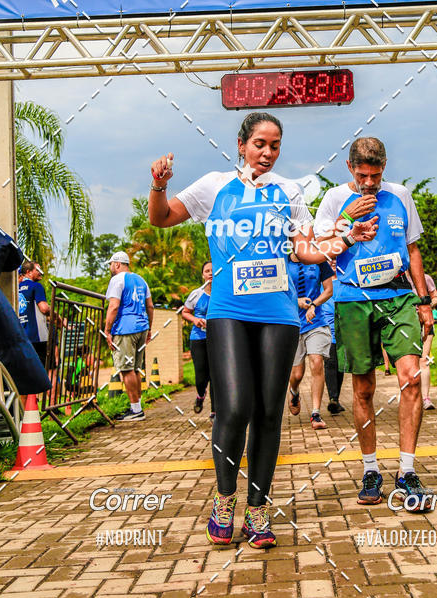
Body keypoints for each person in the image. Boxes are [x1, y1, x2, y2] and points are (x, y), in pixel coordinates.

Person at [148, 112, 378, 548]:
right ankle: (224, 500)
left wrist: (349, 237)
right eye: (259, 144)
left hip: (279, 314)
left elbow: (307, 250)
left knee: (269, 414)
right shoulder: (215, 185)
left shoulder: (289, 192)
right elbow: (161, 218)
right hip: (229, 312)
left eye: (275, 145)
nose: (267, 152)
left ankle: (257, 511)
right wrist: (158, 185)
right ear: (241, 145)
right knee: (234, 409)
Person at [314, 137, 434, 511]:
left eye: (376, 175)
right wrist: (347, 219)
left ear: (384, 168)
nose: (369, 183)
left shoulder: (400, 195)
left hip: (397, 296)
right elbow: (319, 249)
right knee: (363, 388)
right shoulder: (334, 198)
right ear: (350, 167)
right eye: (362, 175)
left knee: (411, 377)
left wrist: (424, 301)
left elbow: (412, 248)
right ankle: (370, 470)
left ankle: (407, 471)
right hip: (353, 299)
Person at [104, 251, 154, 421]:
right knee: (135, 369)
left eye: (111, 264)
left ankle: (136, 410)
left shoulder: (117, 279)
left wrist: (107, 330)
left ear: (117, 264)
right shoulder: (141, 280)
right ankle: (137, 407)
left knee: (126, 369)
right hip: (142, 327)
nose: (110, 267)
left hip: (125, 329)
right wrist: (149, 328)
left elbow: (113, 306)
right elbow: (150, 306)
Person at [287, 252, 334, 429]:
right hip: (292, 323)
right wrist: (296, 300)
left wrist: (314, 305)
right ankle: (294, 391)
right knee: (297, 374)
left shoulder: (318, 260)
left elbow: (328, 290)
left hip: (316, 322)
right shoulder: (282, 261)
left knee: (316, 361)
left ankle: (315, 413)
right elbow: (277, 292)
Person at [182, 261, 216, 418]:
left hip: (218, 339)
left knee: (216, 375)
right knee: (201, 377)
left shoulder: (223, 293)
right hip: (198, 338)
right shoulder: (196, 294)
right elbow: (185, 312)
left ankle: (215, 412)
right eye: (207, 271)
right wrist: (195, 320)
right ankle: (201, 395)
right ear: (203, 275)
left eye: (213, 270)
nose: (210, 273)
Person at [407, 271, 437, 410]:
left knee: (423, 360)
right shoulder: (400, 279)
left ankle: (425, 398)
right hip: (407, 324)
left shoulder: (426, 278)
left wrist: (426, 306)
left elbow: (436, 297)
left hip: (425, 323)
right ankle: (410, 396)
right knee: (409, 362)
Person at [321, 259, 346, 415]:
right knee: (330, 363)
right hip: (327, 328)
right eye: (330, 259)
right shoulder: (322, 282)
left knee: (340, 365)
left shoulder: (344, 281)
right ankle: (333, 398)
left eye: (336, 259)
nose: (333, 262)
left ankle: (336, 398)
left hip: (343, 327)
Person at [18, 260, 50, 367]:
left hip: (21, 336)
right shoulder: (36, 286)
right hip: (37, 337)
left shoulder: (16, 288)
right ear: (29, 272)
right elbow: (44, 308)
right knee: (40, 369)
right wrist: (53, 312)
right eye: (38, 269)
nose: (41, 272)